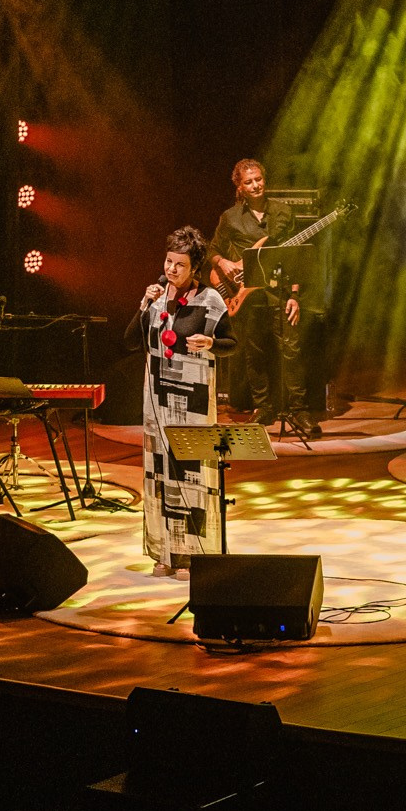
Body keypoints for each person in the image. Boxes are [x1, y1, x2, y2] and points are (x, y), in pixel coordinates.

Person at [125, 226, 227, 575]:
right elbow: (130, 340)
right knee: (160, 475)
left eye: (179, 264)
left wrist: (211, 344)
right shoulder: (156, 299)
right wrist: (144, 303)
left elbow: (233, 343)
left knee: (190, 476)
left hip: (193, 402)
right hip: (157, 400)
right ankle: (165, 554)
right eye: (168, 261)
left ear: (194, 267)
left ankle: (191, 555)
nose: (171, 269)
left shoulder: (209, 300)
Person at [206, 158, 309, 428]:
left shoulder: (284, 212)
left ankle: (299, 410)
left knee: (292, 352)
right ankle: (264, 407)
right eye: (249, 182)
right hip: (249, 298)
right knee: (255, 354)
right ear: (240, 187)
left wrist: (295, 296)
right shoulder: (230, 218)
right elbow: (211, 250)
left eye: (259, 179)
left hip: (280, 293)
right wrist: (224, 263)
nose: (256, 185)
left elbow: (296, 259)